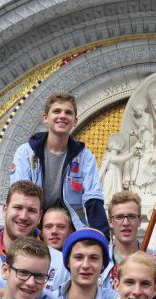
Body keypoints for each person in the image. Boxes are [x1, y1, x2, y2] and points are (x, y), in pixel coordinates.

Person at [10, 93, 110, 237]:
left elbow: (92, 197)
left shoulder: (84, 156)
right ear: (46, 118)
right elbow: (20, 194)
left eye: (68, 113)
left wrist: (102, 237)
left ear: (75, 121)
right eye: (57, 111)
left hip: (71, 226)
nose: (62, 116)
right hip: (33, 225)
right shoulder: (26, 152)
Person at [0, 180, 69, 293]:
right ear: (5, 210)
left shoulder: (60, 264)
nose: (23, 216)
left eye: (31, 210)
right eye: (18, 207)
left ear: (40, 216)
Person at [101, 190, 156, 287]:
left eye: (132, 217)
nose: (126, 223)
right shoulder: (99, 260)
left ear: (139, 221)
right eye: (119, 217)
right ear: (110, 222)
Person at [58, 228, 118, 299]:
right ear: (68, 262)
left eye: (94, 258)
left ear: (103, 264)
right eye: (79, 257)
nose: (85, 265)